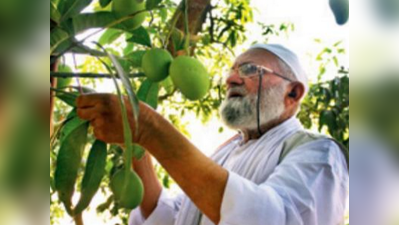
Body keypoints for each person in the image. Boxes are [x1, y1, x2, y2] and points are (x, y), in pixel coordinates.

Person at [77, 44, 349, 225]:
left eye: (250, 70)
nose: (231, 79)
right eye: (231, 71)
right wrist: (134, 139)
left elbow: (272, 219)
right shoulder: (226, 152)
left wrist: (151, 128)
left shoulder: (319, 152)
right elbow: (169, 216)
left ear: (293, 93)